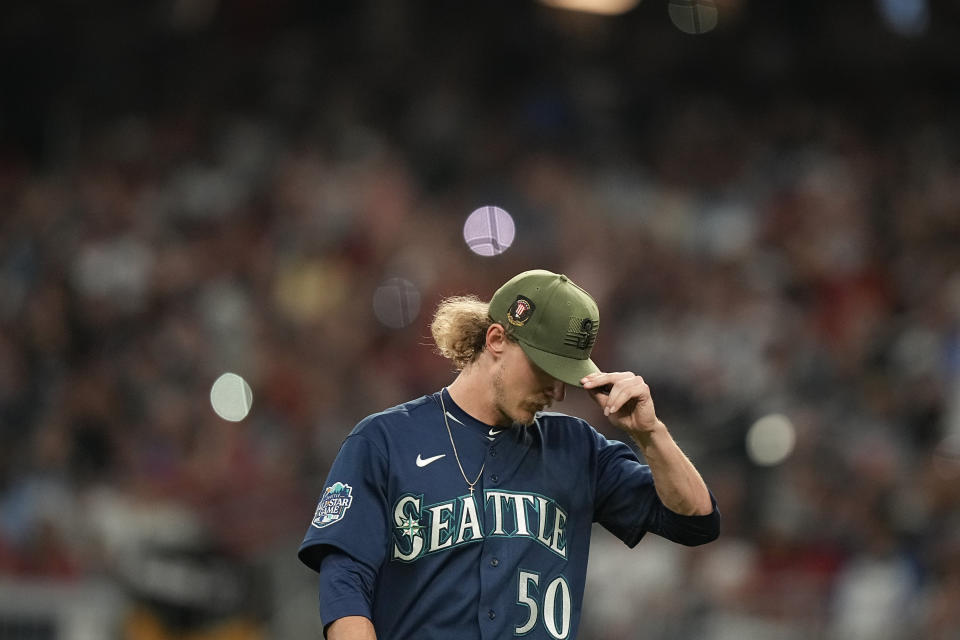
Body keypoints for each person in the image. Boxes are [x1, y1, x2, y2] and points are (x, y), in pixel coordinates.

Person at [298, 269, 720, 640]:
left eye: (567, 378)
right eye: (545, 370)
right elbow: (346, 580)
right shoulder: (386, 440)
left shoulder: (576, 448)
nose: (556, 392)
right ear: (497, 338)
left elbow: (694, 522)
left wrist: (651, 435)